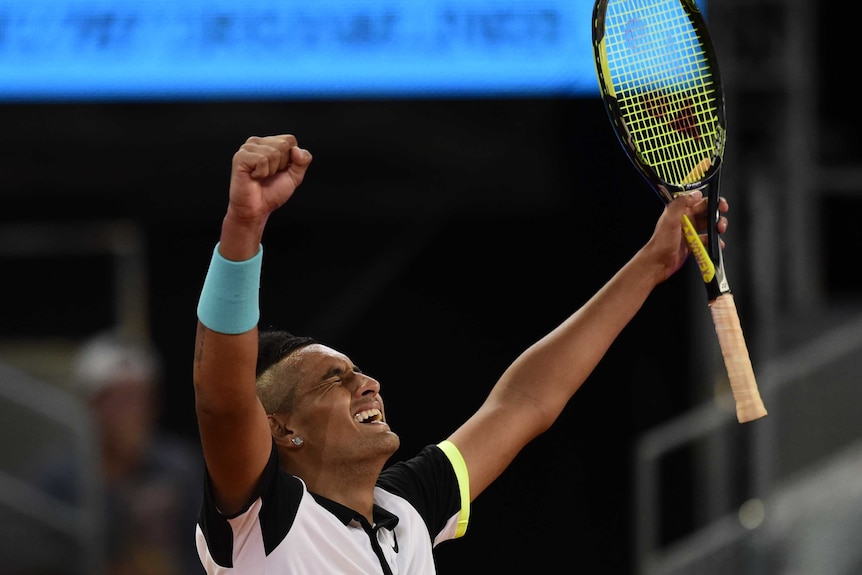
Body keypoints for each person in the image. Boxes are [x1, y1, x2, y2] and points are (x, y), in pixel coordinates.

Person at [192, 134, 730, 573]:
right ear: (283, 430)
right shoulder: (264, 520)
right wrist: (244, 228)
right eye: (334, 380)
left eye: (357, 370)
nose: (368, 383)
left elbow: (524, 401)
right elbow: (221, 398)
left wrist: (651, 265)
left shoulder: (406, 511)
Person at [32, 330, 205, 575]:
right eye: (119, 399)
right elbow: (38, 557)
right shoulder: (58, 476)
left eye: (141, 398)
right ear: (91, 404)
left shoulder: (178, 465)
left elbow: (207, 551)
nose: (132, 411)